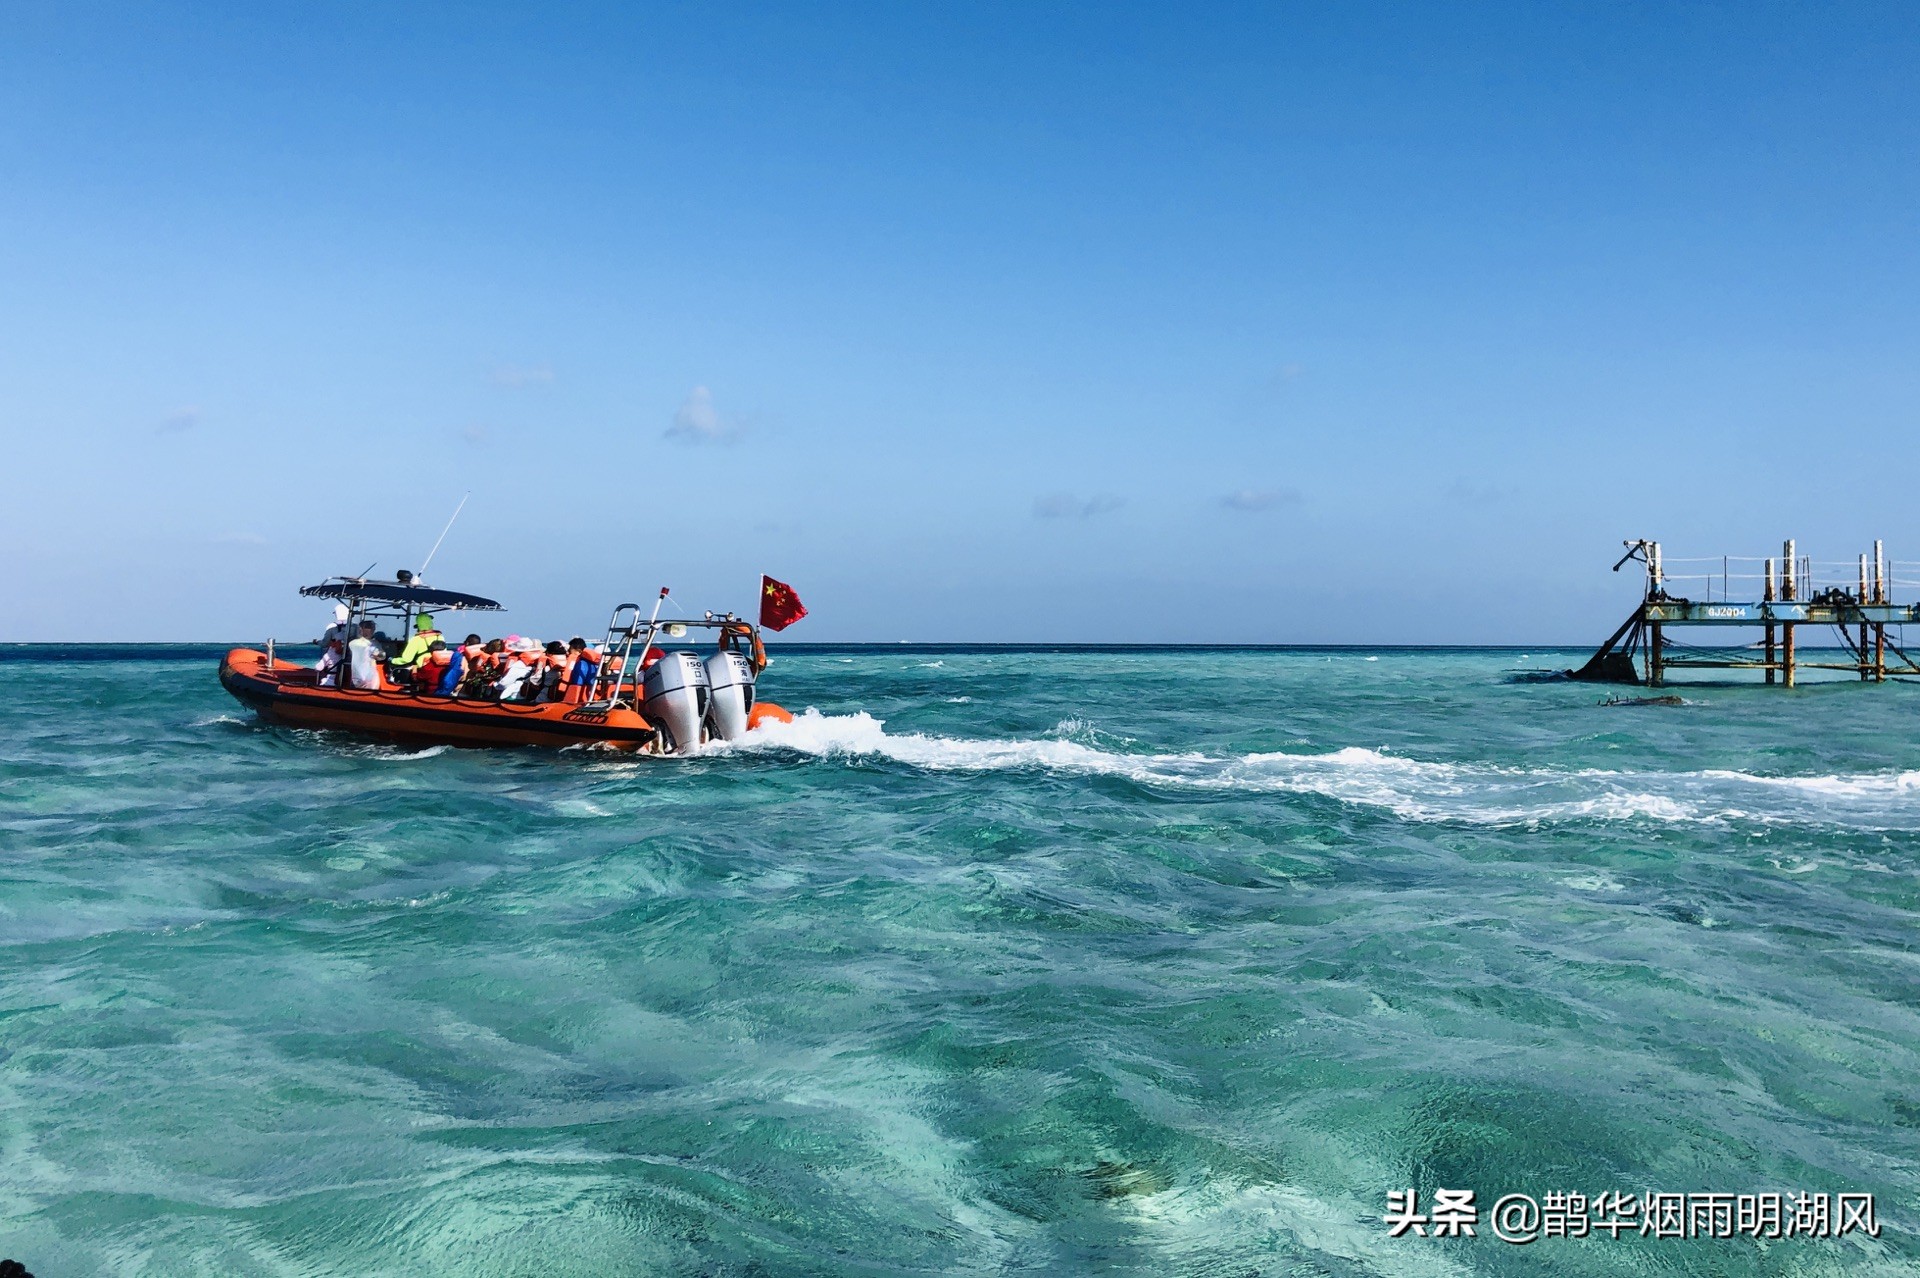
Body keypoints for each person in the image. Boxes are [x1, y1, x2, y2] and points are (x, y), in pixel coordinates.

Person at [390, 613, 443, 677]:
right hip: (440, 671)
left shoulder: (416, 639)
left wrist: (392, 660)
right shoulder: (440, 637)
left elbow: (407, 659)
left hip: (424, 672)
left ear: (419, 626)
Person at [347, 620, 386, 690]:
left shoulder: (375, 643)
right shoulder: (354, 643)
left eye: (372, 628)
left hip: (368, 676)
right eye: (368, 627)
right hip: (360, 677)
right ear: (361, 629)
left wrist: (379, 655)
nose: (371, 630)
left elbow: (382, 656)